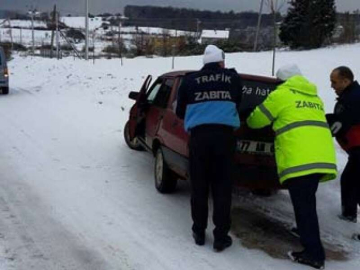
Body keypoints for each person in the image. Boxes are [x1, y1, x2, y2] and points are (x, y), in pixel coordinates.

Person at [246, 64, 337, 269]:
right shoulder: (314, 98)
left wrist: (248, 119)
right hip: (321, 158)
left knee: (304, 207)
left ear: (282, 81)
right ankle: (305, 231)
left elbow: (257, 120)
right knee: (307, 203)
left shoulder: (282, 94)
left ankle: (314, 254)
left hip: (299, 159)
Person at [176, 44, 242, 252]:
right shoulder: (233, 79)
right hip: (224, 138)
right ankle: (221, 237)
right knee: (222, 189)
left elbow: (179, 111)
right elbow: (238, 103)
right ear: (221, 62)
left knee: (199, 187)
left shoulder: (189, 81)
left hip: (200, 139)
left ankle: (199, 232)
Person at [326, 66, 360, 223]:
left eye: (334, 82)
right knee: (350, 180)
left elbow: (339, 124)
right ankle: (349, 214)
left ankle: (349, 215)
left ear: (346, 81)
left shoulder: (352, 99)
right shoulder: (351, 95)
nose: (332, 86)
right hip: (356, 150)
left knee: (352, 181)